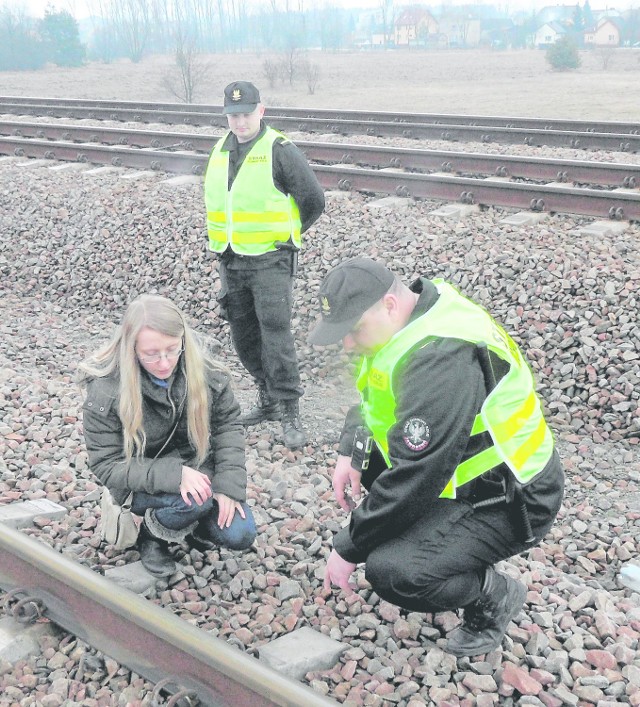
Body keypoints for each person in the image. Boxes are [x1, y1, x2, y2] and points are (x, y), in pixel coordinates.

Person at [308, 258, 564, 657]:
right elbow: (376, 393)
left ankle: (493, 596)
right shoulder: (416, 314)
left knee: (394, 571)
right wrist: (353, 450)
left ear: (390, 305)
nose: (348, 344)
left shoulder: (439, 358)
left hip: (514, 497)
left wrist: (347, 547)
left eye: (353, 330)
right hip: (472, 474)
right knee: (383, 498)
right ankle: (432, 541)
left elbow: (418, 474)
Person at [79, 294, 256, 578]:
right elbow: (107, 465)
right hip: (138, 482)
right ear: (131, 348)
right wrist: (176, 475)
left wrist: (228, 487)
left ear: (183, 341)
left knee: (240, 534)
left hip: (199, 470)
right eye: (151, 354)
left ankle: (188, 522)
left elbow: (228, 425)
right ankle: (152, 535)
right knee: (194, 501)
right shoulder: (106, 390)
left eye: (172, 350)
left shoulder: (206, 372)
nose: (164, 363)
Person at [203, 80, 325, 450]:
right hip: (231, 257)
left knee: (276, 335)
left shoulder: (280, 150)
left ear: (261, 110)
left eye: (245, 114)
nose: (239, 122)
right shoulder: (220, 150)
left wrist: (290, 235)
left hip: (271, 258)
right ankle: (267, 397)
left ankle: (290, 409)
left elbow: (313, 200)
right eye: (233, 115)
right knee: (244, 335)